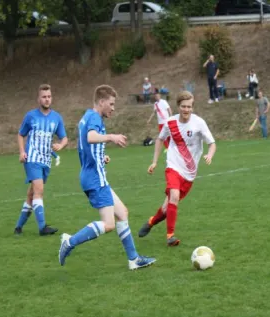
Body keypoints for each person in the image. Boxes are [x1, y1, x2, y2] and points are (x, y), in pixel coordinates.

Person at [58, 85, 156, 270]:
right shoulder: (94, 117)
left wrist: (101, 157)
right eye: (111, 104)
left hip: (93, 174)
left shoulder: (87, 116)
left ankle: (133, 260)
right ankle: (69, 241)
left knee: (122, 213)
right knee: (109, 223)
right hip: (95, 179)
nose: (113, 108)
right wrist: (111, 137)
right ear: (101, 102)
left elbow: (85, 146)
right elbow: (91, 137)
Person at [138, 91, 217, 246]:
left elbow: (212, 143)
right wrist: (154, 162)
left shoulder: (199, 123)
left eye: (189, 107)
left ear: (192, 107)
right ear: (178, 106)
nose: (186, 110)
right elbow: (160, 139)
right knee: (174, 196)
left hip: (190, 173)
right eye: (183, 106)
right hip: (173, 165)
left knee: (167, 206)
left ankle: (151, 221)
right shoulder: (170, 122)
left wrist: (210, 154)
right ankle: (170, 236)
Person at [14, 84, 68, 236]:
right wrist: (22, 152)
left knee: (31, 195)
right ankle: (42, 227)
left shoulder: (56, 118)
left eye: (49, 96)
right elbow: (20, 134)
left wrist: (61, 145)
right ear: (38, 99)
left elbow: (64, 138)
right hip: (32, 158)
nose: (47, 99)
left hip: (46, 160)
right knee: (39, 191)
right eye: (44, 97)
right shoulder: (31, 116)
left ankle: (18, 227)